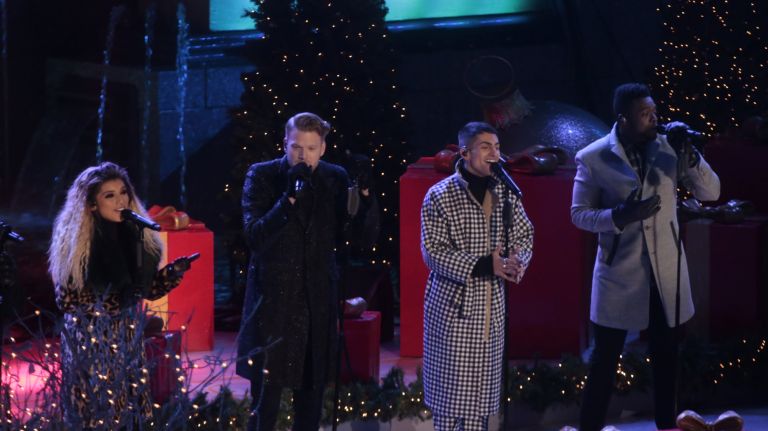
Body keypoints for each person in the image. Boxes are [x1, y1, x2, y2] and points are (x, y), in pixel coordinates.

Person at [571, 83, 720, 430]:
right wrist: (618, 216)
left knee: (667, 359)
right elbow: (578, 214)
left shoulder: (670, 147)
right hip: (619, 273)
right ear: (623, 119)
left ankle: (667, 426)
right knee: (605, 361)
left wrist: (691, 155)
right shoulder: (593, 157)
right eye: (644, 114)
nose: (654, 118)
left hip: (665, 271)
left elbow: (711, 192)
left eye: (655, 111)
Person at [236, 112, 373, 431]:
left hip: (316, 302)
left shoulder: (334, 177)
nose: (303, 155)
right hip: (273, 303)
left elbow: (355, 239)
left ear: (322, 148)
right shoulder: (263, 175)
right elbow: (254, 235)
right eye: (297, 147)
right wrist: (289, 200)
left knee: (311, 403)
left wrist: (365, 199)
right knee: (265, 402)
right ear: (285, 143)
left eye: (311, 148)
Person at [48, 162, 194, 428]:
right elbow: (67, 301)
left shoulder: (136, 234)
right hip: (92, 342)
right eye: (109, 195)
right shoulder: (77, 244)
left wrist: (172, 273)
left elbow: (146, 291)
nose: (120, 201)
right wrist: (115, 301)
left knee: (131, 411)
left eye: (123, 192)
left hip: (127, 338)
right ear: (92, 204)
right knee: (98, 413)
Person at [420, 121, 534, 431]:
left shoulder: (506, 193)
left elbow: (525, 235)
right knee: (450, 406)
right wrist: (487, 265)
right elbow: (433, 252)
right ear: (466, 152)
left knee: (481, 409)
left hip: (490, 311)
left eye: (497, 147)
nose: (494, 154)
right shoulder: (439, 196)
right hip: (453, 312)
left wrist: (516, 262)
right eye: (486, 147)